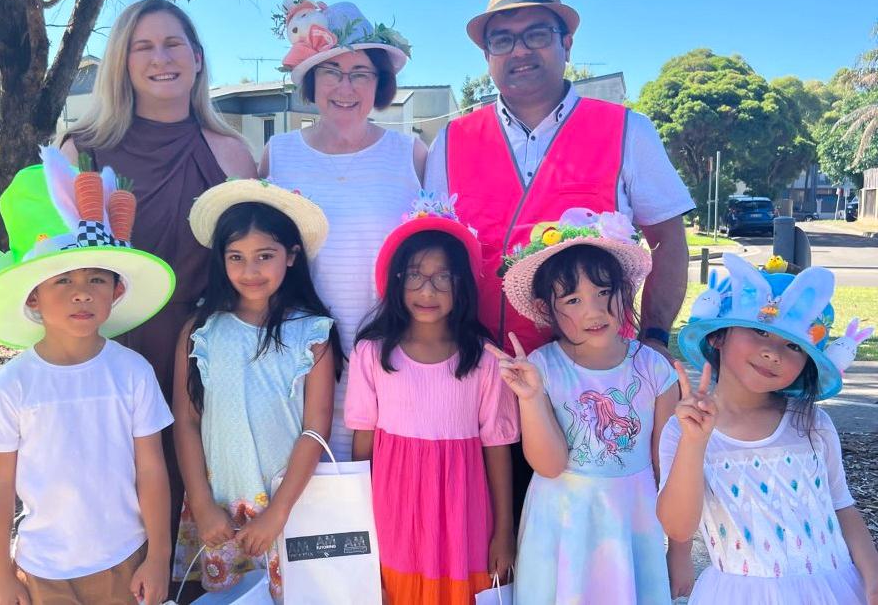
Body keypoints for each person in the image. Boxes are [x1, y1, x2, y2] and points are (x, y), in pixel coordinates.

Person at [57, 0, 257, 548]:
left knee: (197, 523)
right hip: (103, 355)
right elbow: (53, 271)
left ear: (196, 58)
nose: (159, 57)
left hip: (202, 362)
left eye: (172, 44)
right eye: (142, 46)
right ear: (122, 61)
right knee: (104, 514)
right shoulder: (82, 152)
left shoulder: (234, 155)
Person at [425, 0, 693, 357]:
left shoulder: (628, 130)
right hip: (477, 370)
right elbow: (435, 251)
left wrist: (653, 337)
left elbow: (668, 240)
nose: (519, 50)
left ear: (566, 44)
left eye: (536, 34)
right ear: (487, 57)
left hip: (596, 376)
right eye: (502, 40)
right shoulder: (451, 140)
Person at [0, 148, 176, 605]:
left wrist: (159, 556)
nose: (81, 293)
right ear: (33, 298)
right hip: (43, 571)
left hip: (126, 561)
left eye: (96, 279)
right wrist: (2, 575)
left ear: (116, 291)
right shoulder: (13, 384)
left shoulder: (132, 373)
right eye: (62, 280)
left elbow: (152, 470)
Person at [261, 0, 423, 461]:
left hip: (396, 358)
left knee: (381, 497)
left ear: (381, 85)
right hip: (297, 360)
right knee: (307, 498)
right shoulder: (277, 154)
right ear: (312, 80)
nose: (345, 87)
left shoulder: (411, 154)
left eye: (361, 73)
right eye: (332, 71)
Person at [658, 254, 878, 604]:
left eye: (793, 345)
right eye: (760, 331)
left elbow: (842, 507)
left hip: (832, 591)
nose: (773, 353)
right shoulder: (683, 430)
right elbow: (679, 527)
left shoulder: (813, 423)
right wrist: (694, 443)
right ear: (718, 337)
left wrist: (872, 576)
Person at [486, 208, 679, 603]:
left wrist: (679, 550)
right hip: (560, 527)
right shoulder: (542, 367)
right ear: (547, 308)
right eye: (573, 299)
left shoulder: (655, 370)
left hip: (632, 526)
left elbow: (670, 471)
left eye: (604, 292)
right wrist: (531, 398)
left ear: (625, 290)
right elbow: (550, 464)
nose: (592, 311)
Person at [170, 179, 342, 599]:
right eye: (237, 257)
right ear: (221, 260)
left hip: (293, 510)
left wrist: (276, 513)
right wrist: (204, 504)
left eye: (265, 256)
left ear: (292, 256)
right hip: (219, 514)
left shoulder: (313, 335)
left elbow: (315, 429)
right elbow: (187, 423)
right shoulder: (201, 331)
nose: (250, 271)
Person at [345, 194, 520, 604]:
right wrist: (358, 523)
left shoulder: (485, 358)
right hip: (394, 515)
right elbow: (363, 447)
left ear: (463, 285)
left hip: (464, 515)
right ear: (396, 279)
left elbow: (497, 448)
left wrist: (504, 531)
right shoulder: (372, 353)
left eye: (444, 277)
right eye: (415, 275)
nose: (428, 290)